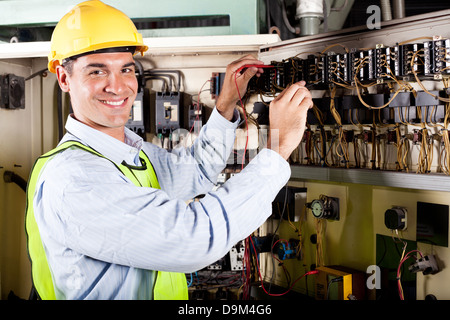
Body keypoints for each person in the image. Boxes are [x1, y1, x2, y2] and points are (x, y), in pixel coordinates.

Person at [25, 0, 313, 300]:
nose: (119, 86)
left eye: (126, 69)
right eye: (97, 72)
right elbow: (195, 238)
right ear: (63, 78)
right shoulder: (74, 178)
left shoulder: (130, 153)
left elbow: (196, 171)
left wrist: (226, 105)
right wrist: (278, 150)